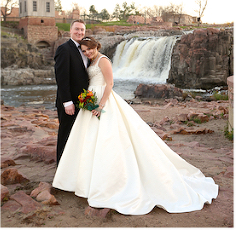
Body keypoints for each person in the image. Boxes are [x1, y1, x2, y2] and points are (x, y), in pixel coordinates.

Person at [52, 36, 218, 215]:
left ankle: (109, 181)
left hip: (103, 101)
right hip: (91, 100)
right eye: (84, 51)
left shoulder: (103, 60)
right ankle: (84, 180)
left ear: (96, 46)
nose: (87, 52)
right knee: (87, 139)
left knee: (108, 139)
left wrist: (101, 105)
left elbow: (110, 83)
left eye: (89, 49)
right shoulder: (91, 61)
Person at [53, 19, 90, 164]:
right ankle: (61, 168)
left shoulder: (86, 49)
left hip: (84, 101)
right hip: (69, 102)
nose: (79, 32)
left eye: (82, 30)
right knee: (66, 134)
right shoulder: (64, 49)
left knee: (78, 136)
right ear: (70, 30)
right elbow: (61, 78)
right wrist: (67, 102)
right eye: (77, 29)